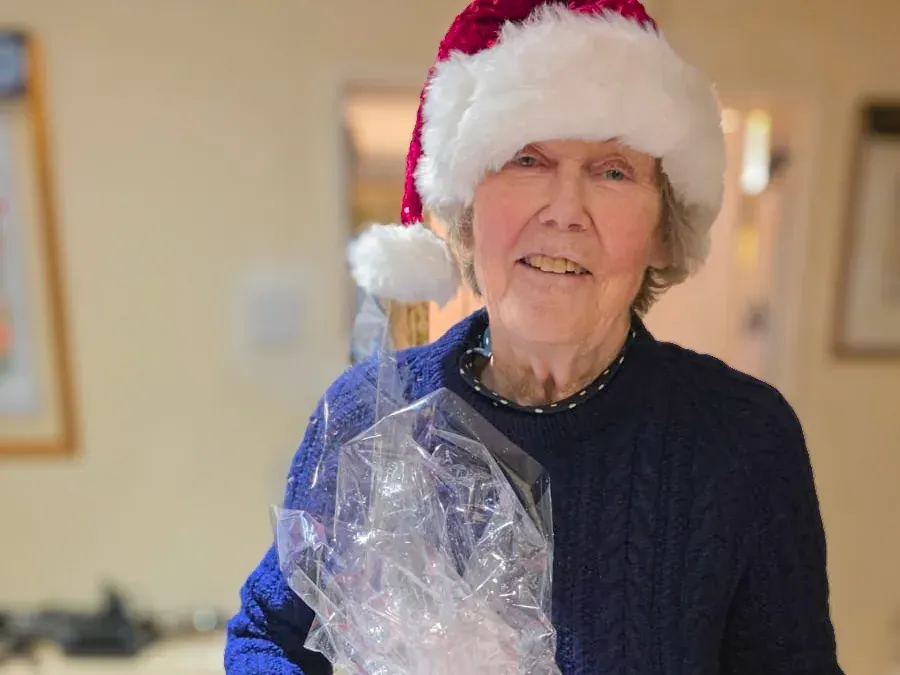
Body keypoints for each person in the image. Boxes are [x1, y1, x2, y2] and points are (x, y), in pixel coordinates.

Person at [225, 1, 844, 673]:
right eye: (526, 159)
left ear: (665, 229)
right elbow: (265, 634)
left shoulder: (744, 439)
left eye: (613, 170)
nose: (565, 211)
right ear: (465, 215)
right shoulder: (367, 419)